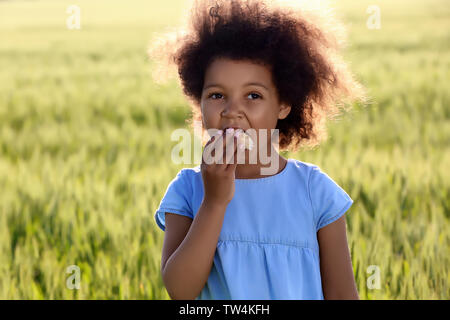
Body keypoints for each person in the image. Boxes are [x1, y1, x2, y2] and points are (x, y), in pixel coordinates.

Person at [149, 0, 367, 300]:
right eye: (216, 95)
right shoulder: (187, 190)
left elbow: (343, 295)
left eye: (253, 95)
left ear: (283, 104)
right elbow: (180, 291)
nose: (231, 110)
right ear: (198, 100)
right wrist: (214, 203)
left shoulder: (316, 194)